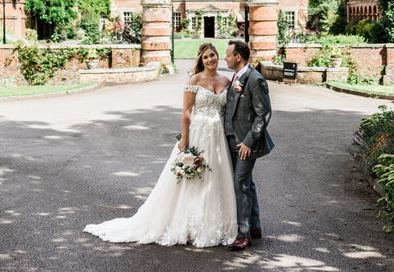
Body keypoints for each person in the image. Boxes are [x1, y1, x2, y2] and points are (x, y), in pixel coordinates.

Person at [84, 43, 237, 247]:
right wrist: (184, 139)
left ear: (217, 56)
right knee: (194, 180)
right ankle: (190, 225)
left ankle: (214, 224)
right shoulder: (194, 80)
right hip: (198, 135)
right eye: (206, 57)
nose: (210, 59)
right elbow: (186, 112)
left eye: (213, 55)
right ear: (201, 60)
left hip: (218, 138)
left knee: (216, 178)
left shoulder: (227, 81)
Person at [224, 40, 275, 252]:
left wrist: (248, 142)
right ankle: (255, 226)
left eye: (228, 55)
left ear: (238, 57)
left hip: (245, 143)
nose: (225, 58)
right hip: (230, 139)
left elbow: (264, 114)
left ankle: (243, 235)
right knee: (248, 183)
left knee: (240, 184)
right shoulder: (236, 77)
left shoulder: (255, 79)